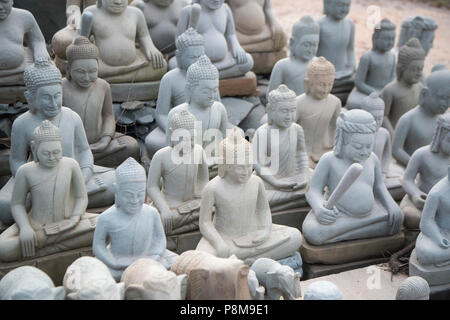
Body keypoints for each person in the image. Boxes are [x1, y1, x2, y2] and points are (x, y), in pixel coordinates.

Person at [0, 121, 98, 262]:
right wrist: (25, 227)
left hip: (70, 224)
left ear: (61, 146)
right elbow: (17, 204)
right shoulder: (26, 171)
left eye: (56, 152)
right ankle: (50, 243)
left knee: (104, 224)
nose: (52, 157)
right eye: (46, 153)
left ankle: (43, 246)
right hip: (37, 226)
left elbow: (81, 197)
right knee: (3, 247)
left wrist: (75, 218)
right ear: (34, 149)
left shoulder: (71, 165)